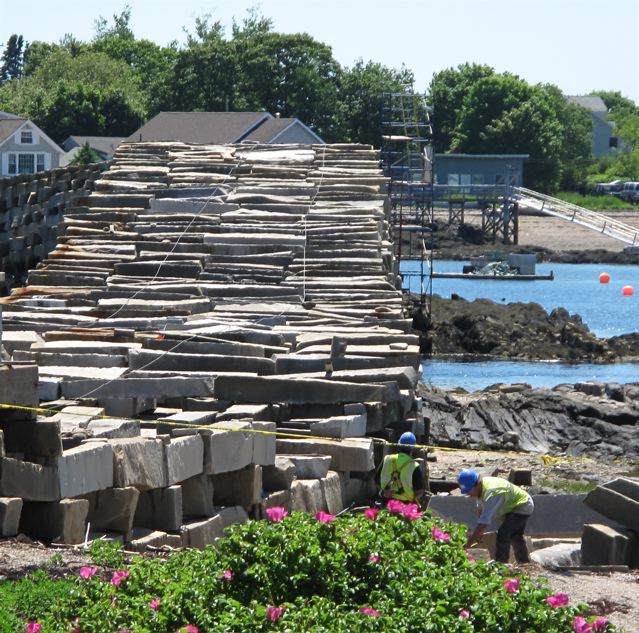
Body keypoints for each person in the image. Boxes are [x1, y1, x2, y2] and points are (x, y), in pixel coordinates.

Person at [458, 469, 534, 563]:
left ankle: (501, 564)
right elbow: (480, 509)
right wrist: (480, 533)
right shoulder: (481, 488)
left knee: (503, 534)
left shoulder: (492, 493)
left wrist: (469, 543)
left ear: (477, 485)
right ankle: (524, 562)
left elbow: (484, 521)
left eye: (468, 491)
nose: (468, 494)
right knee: (515, 535)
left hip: (522, 505)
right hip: (513, 506)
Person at [378, 432, 425, 505]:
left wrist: (385, 490)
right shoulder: (414, 466)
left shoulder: (387, 459)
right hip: (406, 507)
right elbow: (419, 492)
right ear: (413, 448)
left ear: (399, 444)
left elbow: (376, 480)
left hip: (386, 503)